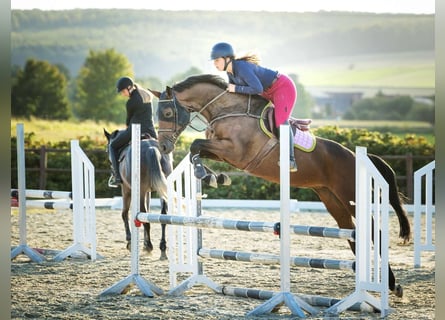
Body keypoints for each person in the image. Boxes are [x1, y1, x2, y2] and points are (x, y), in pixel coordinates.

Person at [210, 42, 298, 172]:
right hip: (266, 92)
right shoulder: (230, 74)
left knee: (280, 119)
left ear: (227, 59)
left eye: (217, 60)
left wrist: (236, 88)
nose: (215, 64)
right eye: (214, 61)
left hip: (282, 87)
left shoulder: (242, 67)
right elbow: (237, 95)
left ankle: (290, 159)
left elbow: (257, 88)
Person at [108, 76, 159, 187]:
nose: (122, 94)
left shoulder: (130, 102)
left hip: (135, 131)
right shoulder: (147, 97)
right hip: (151, 131)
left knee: (112, 146)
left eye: (123, 91)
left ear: (129, 87)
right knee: (163, 148)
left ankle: (117, 176)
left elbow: (128, 121)